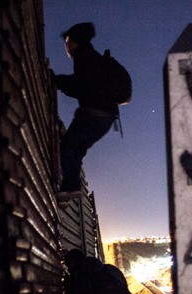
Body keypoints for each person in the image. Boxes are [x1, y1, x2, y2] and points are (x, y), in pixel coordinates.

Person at [51, 22, 118, 203]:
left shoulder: (84, 56)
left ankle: (71, 187)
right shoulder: (94, 57)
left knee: (67, 146)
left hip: (93, 113)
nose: (66, 46)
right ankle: (67, 193)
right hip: (107, 117)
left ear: (75, 41)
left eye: (68, 41)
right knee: (77, 150)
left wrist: (57, 80)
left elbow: (83, 85)